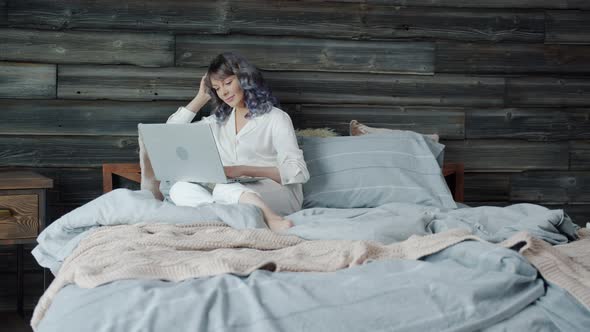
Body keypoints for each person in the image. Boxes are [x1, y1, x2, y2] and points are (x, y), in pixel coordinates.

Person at [166, 52, 309, 231]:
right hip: (231, 192)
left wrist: (242, 170)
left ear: (244, 79)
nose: (224, 92)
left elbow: (298, 172)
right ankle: (226, 215)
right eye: (217, 88)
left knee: (222, 190)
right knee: (179, 189)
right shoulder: (218, 121)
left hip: (276, 191)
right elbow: (171, 132)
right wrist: (201, 98)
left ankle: (272, 219)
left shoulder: (276, 118)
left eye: (228, 83)